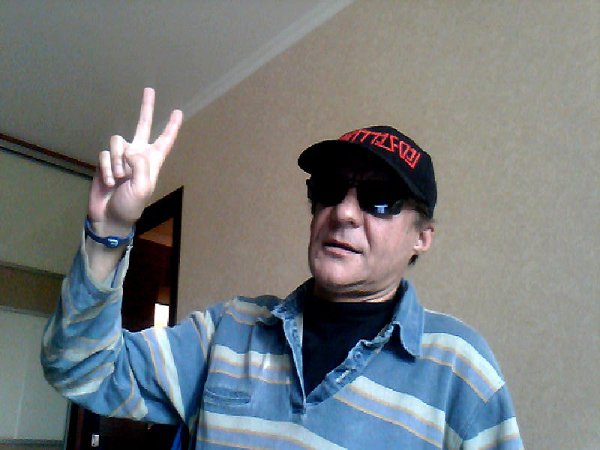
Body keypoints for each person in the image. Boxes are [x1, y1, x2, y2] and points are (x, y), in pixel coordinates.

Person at [42, 88, 522, 449]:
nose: (344, 212)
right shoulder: (228, 332)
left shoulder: (460, 370)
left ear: (423, 236)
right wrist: (109, 231)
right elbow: (81, 370)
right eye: (330, 189)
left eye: (379, 199)